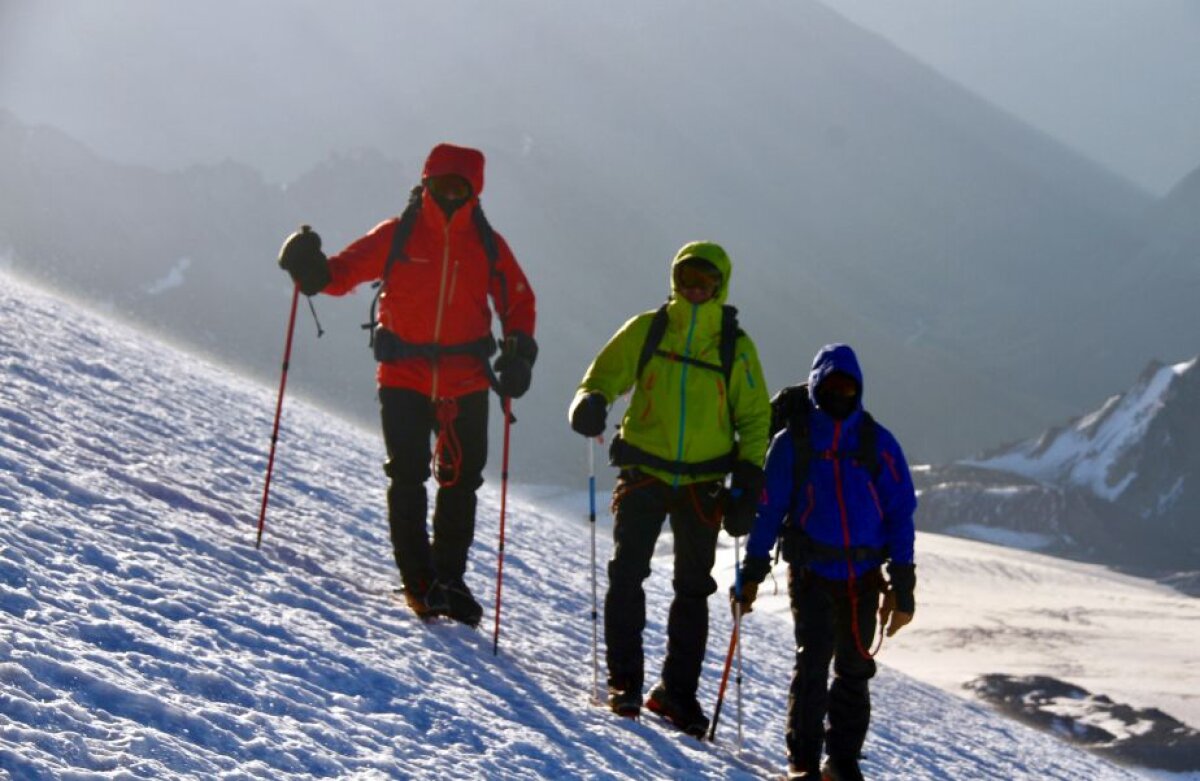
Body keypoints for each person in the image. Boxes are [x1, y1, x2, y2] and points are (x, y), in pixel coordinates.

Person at [278, 143, 537, 627]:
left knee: (462, 482)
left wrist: (520, 350)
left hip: (465, 381)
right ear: (426, 182)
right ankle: (421, 580)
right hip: (404, 377)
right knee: (409, 474)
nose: (449, 193)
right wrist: (311, 270)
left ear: (474, 190)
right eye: (442, 184)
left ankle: (448, 578)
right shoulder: (399, 235)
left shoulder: (486, 244)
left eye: (460, 186)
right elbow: (343, 273)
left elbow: (518, 302)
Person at [568, 241, 771, 737]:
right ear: (675, 281)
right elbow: (603, 376)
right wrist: (589, 401)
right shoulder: (649, 328)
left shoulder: (733, 346)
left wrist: (749, 476)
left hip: (702, 483)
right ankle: (627, 685)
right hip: (646, 471)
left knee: (692, 591)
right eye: (686, 280)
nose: (695, 290)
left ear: (720, 285)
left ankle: (675, 695)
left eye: (704, 282)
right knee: (628, 574)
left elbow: (754, 417)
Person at [734, 344, 916, 781]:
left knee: (853, 667)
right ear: (816, 386)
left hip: (863, 579)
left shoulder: (875, 443)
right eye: (833, 385)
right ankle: (805, 764)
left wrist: (904, 582)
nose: (841, 394)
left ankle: (841, 762)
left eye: (848, 387)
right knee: (814, 662)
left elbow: (900, 512)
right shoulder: (794, 443)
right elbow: (768, 510)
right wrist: (752, 571)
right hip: (814, 573)